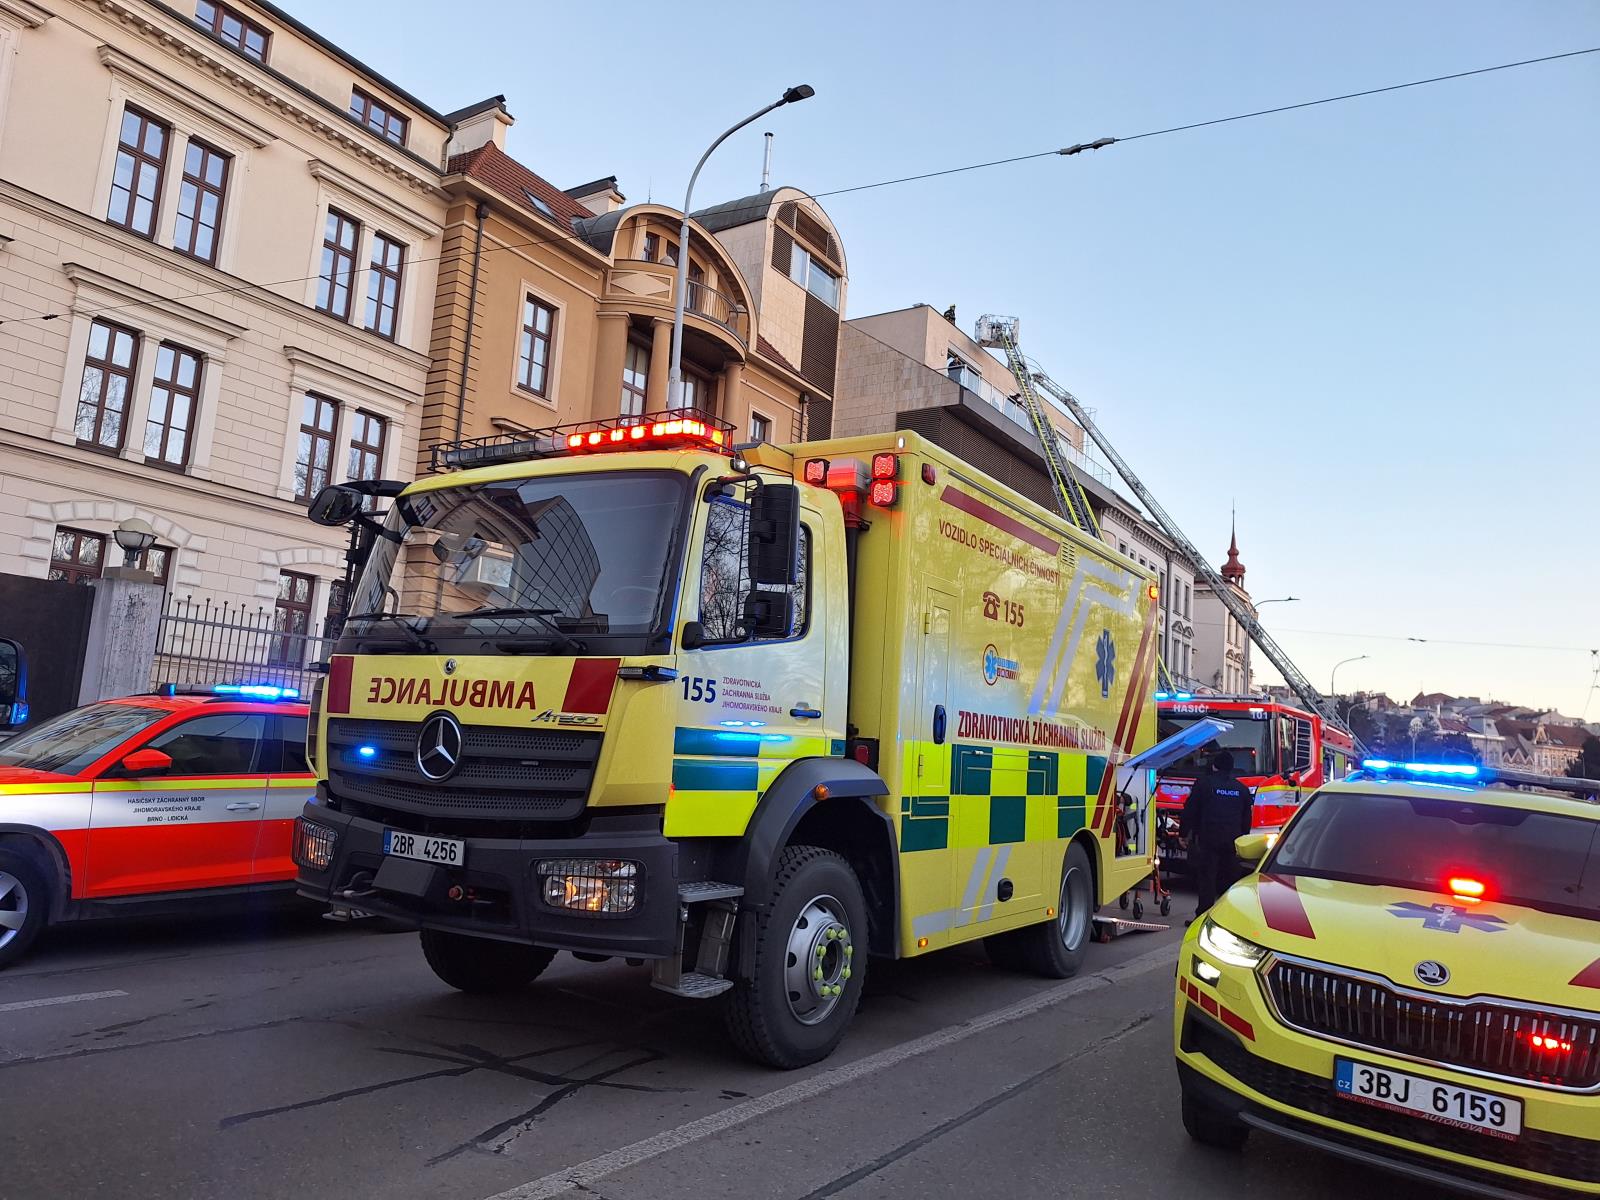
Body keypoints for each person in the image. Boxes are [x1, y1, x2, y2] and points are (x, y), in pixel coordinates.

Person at [1182, 749, 1254, 920]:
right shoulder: (1242, 789)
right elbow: (1247, 818)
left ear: (1214, 766)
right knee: (1229, 881)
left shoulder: (1204, 784)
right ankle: (1226, 918)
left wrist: (1183, 833)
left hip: (1209, 840)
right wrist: (1242, 839)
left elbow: (1190, 810)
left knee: (1207, 880)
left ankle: (1203, 918)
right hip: (1232, 842)